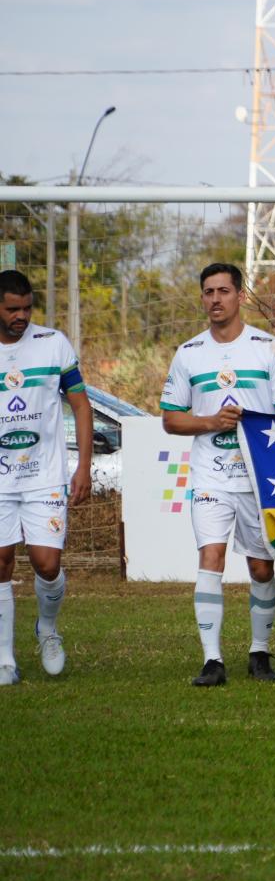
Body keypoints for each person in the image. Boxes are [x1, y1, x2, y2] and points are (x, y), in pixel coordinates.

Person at [160, 263, 275, 687]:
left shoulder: (267, 348)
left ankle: (259, 653)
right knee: (211, 558)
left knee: (261, 567)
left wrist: (257, 429)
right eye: (208, 292)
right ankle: (212, 660)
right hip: (210, 476)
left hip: (260, 478)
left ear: (241, 296)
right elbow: (171, 419)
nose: (216, 299)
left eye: (223, 290)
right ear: (202, 298)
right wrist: (212, 422)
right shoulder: (189, 353)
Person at [0, 271, 91, 687]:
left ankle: (47, 630)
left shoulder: (53, 344)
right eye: (12, 309)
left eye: (26, 308)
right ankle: (5, 659)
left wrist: (83, 466)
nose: (21, 316)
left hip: (44, 476)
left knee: (46, 564)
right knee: (0, 563)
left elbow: (80, 404)